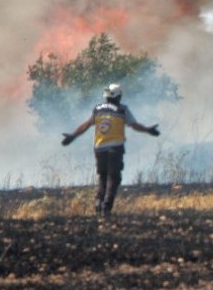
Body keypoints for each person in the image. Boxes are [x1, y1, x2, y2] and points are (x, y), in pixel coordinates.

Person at [61, 82, 160, 218]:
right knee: (114, 177)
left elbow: (86, 125)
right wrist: (148, 130)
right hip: (115, 148)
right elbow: (134, 125)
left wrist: (72, 136)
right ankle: (106, 207)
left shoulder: (97, 109)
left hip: (99, 149)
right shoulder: (122, 110)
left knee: (103, 176)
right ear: (119, 97)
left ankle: (98, 202)